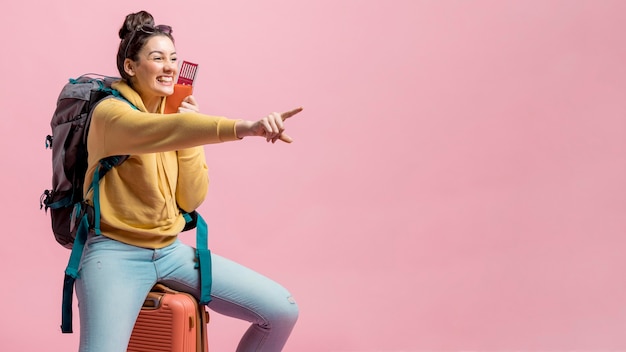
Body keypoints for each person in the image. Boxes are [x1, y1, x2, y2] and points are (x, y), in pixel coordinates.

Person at [75, 10, 301, 352]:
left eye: (174, 58)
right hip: (114, 254)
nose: (169, 67)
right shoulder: (111, 115)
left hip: (169, 252)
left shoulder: (176, 118)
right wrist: (247, 127)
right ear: (131, 67)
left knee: (281, 310)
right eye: (157, 58)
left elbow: (190, 200)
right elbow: (159, 132)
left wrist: (190, 134)